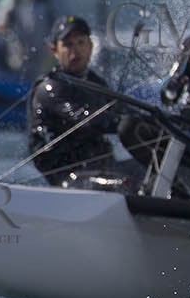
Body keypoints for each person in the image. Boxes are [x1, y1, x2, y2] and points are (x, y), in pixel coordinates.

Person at [26, 16, 135, 190]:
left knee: (153, 170)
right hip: (70, 179)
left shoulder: (96, 83)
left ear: (90, 46)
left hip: (103, 169)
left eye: (80, 43)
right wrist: (125, 122)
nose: (75, 51)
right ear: (54, 50)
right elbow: (85, 118)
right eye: (68, 45)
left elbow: (125, 111)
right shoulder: (50, 87)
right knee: (127, 184)